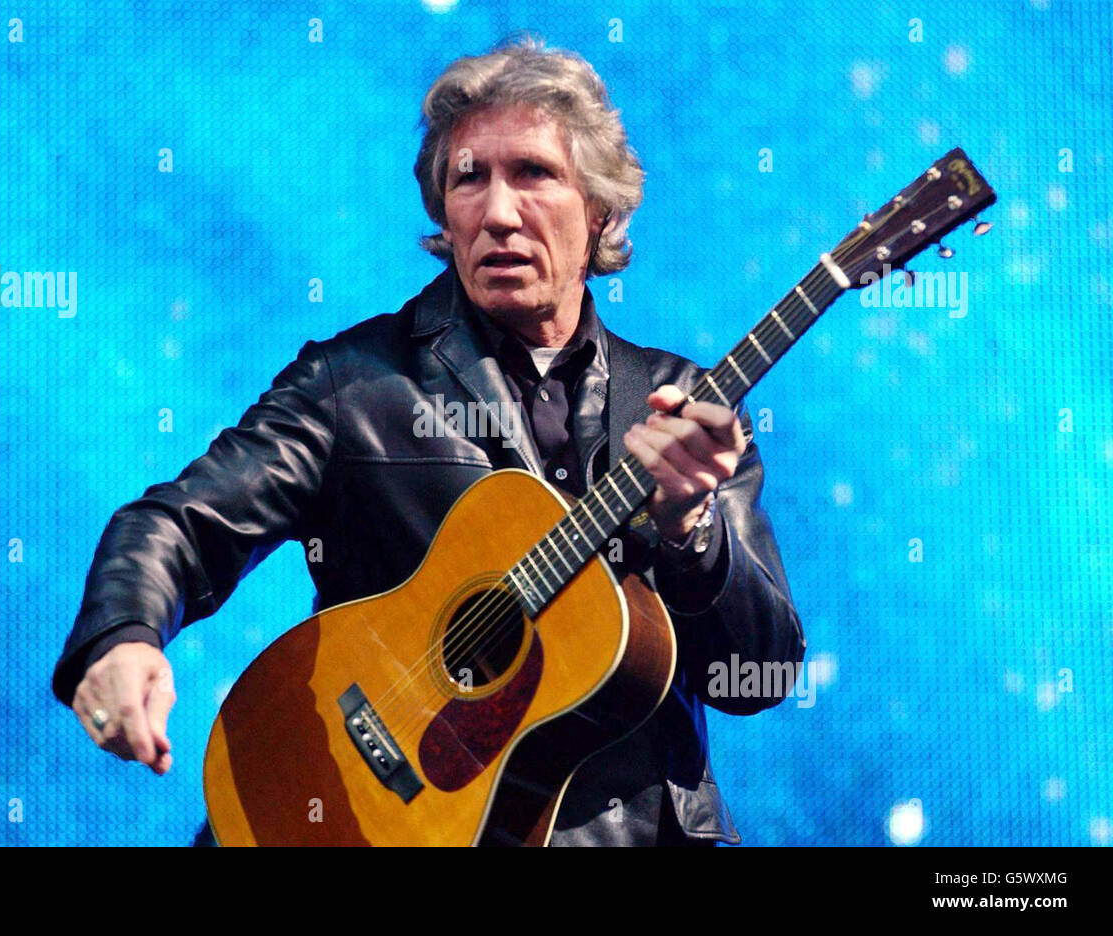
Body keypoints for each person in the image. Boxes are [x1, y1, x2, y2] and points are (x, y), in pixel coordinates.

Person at [52, 36, 805, 846]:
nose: (499, 210)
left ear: (599, 209)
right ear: (442, 214)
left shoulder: (681, 408)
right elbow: (178, 522)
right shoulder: (357, 385)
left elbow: (758, 674)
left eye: (533, 174)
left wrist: (692, 533)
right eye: (468, 178)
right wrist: (123, 635)